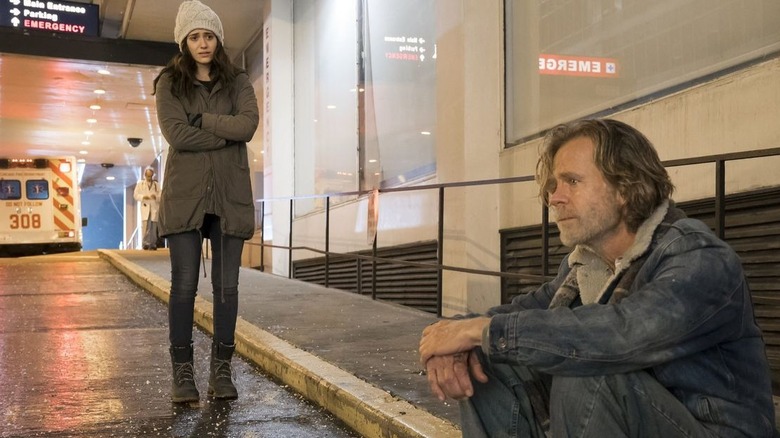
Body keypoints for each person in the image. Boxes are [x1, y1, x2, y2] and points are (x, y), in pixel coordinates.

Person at [419, 119, 777, 437]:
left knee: (587, 369)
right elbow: (521, 314)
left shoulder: (698, 259)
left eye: (571, 181)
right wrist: (453, 338)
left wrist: (480, 331)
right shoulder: (586, 270)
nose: (554, 198)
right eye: (554, 185)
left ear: (625, 188)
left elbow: (622, 336)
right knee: (487, 360)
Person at [153, 0, 259, 403]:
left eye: (209, 36)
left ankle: (221, 371)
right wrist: (226, 133)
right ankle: (183, 373)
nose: (203, 43)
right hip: (185, 197)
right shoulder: (170, 83)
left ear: (218, 39)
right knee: (183, 286)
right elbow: (177, 135)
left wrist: (204, 120)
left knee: (227, 288)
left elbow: (247, 125)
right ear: (184, 40)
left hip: (229, 196)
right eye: (195, 36)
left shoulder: (238, 82)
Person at [133, 167, 161, 250]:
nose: (149, 178)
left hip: (153, 207)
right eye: (148, 176)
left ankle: (153, 244)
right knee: (145, 227)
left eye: (151, 176)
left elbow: (161, 195)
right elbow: (135, 195)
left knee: (153, 226)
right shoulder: (140, 184)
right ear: (144, 175)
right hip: (145, 207)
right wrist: (143, 197)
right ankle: (145, 243)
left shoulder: (156, 185)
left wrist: (155, 197)